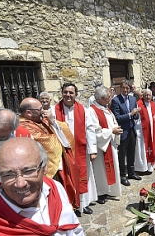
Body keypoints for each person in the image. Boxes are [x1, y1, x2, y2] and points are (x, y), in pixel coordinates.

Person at [0, 137, 84, 235]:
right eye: (8, 174)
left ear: (45, 167)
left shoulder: (54, 188)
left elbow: (75, 229)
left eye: (28, 171)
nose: (20, 184)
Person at [19, 98, 80, 212]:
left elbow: (62, 130)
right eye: (40, 109)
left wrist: (52, 122)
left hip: (55, 166)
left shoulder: (39, 120)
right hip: (43, 169)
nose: (43, 111)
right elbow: (50, 143)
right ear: (28, 112)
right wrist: (54, 130)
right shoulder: (23, 126)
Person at [52, 83, 97, 215]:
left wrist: (92, 150)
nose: (68, 95)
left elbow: (90, 130)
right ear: (61, 93)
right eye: (65, 92)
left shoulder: (84, 110)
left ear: (76, 95)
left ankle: (83, 204)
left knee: (83, 177)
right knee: (67, 178)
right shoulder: (54, 110)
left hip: (80, 150)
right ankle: (70, 205)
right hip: (63, 152)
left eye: (71, 92)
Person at [86, 86, 122, 204]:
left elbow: (113, 122)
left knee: (111, 168)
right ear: (101, 98)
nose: (110, 98)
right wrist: (112, 131)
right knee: (101, 170)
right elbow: (95, 131)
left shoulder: (106, 109)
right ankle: (101, 192)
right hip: (101, 147)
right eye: (108, 96)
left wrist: (116, 130)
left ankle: (109, 190)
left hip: (110, 144)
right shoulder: (92, 111)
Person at [110, 80, 142, 186]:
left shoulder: (132, 99)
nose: (125, 90)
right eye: (123, 88)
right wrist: (130, 114)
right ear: (121, 88)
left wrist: (136, 114)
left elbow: (135, 116)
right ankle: (122, 175)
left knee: (131, 152)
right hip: (122, 130)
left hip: (131, 129)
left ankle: (131, 172)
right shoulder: (116, 100)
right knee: (122, 154)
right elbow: (117, 117)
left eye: (127, 88)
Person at [134, 89, 155, 173]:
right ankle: (142, 168)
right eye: (146, 95)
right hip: (142, 130)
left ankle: (151, 165)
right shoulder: (139, 104)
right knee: (142, 148)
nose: (148, 97)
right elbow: (137, 118)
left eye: (149, 95)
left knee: (152, 146)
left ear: (151, 96)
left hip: (151, 130)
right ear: (143, 96)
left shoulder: (153, 104)